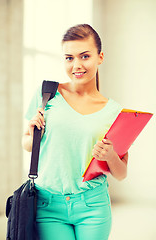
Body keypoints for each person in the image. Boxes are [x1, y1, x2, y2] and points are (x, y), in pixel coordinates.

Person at [22, 24, 128, 240]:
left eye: (85, 56)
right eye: (69, 58)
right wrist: (33, 133)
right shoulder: (47, 94)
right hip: (48, 205)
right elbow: (27, 144)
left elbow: (121, 173)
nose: (76, 65)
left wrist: (110, 156)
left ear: (100, 57)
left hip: (93, 205)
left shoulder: (115, 111)